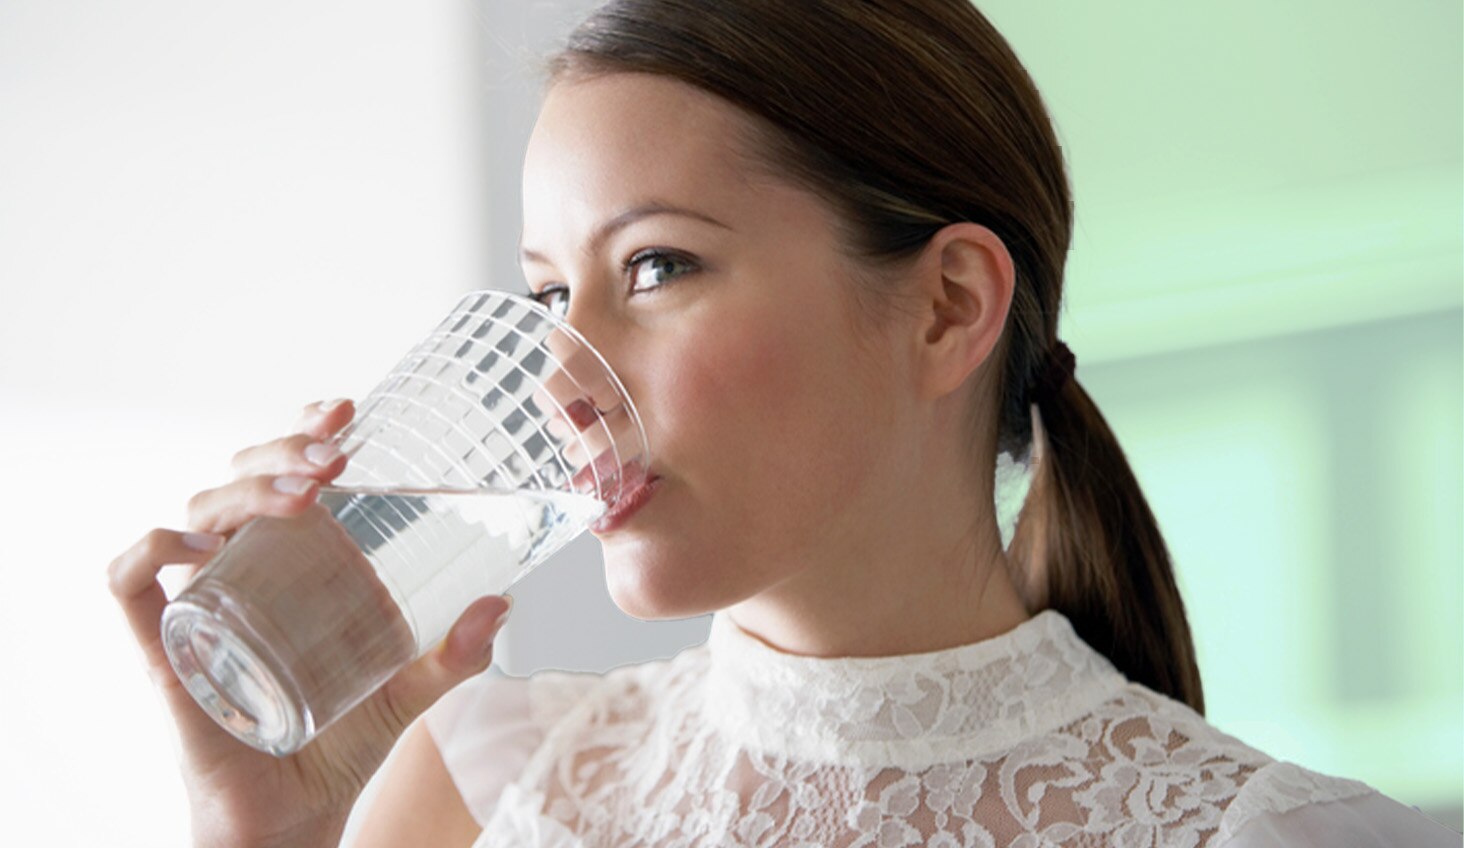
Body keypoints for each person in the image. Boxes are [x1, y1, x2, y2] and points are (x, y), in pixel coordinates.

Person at [108, 1, 1462, 846]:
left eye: (656, 268)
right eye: (542, 294)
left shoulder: (1272, 837)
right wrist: (267, 835)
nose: (561, 380)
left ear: (945, 308)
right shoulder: (482, 787)